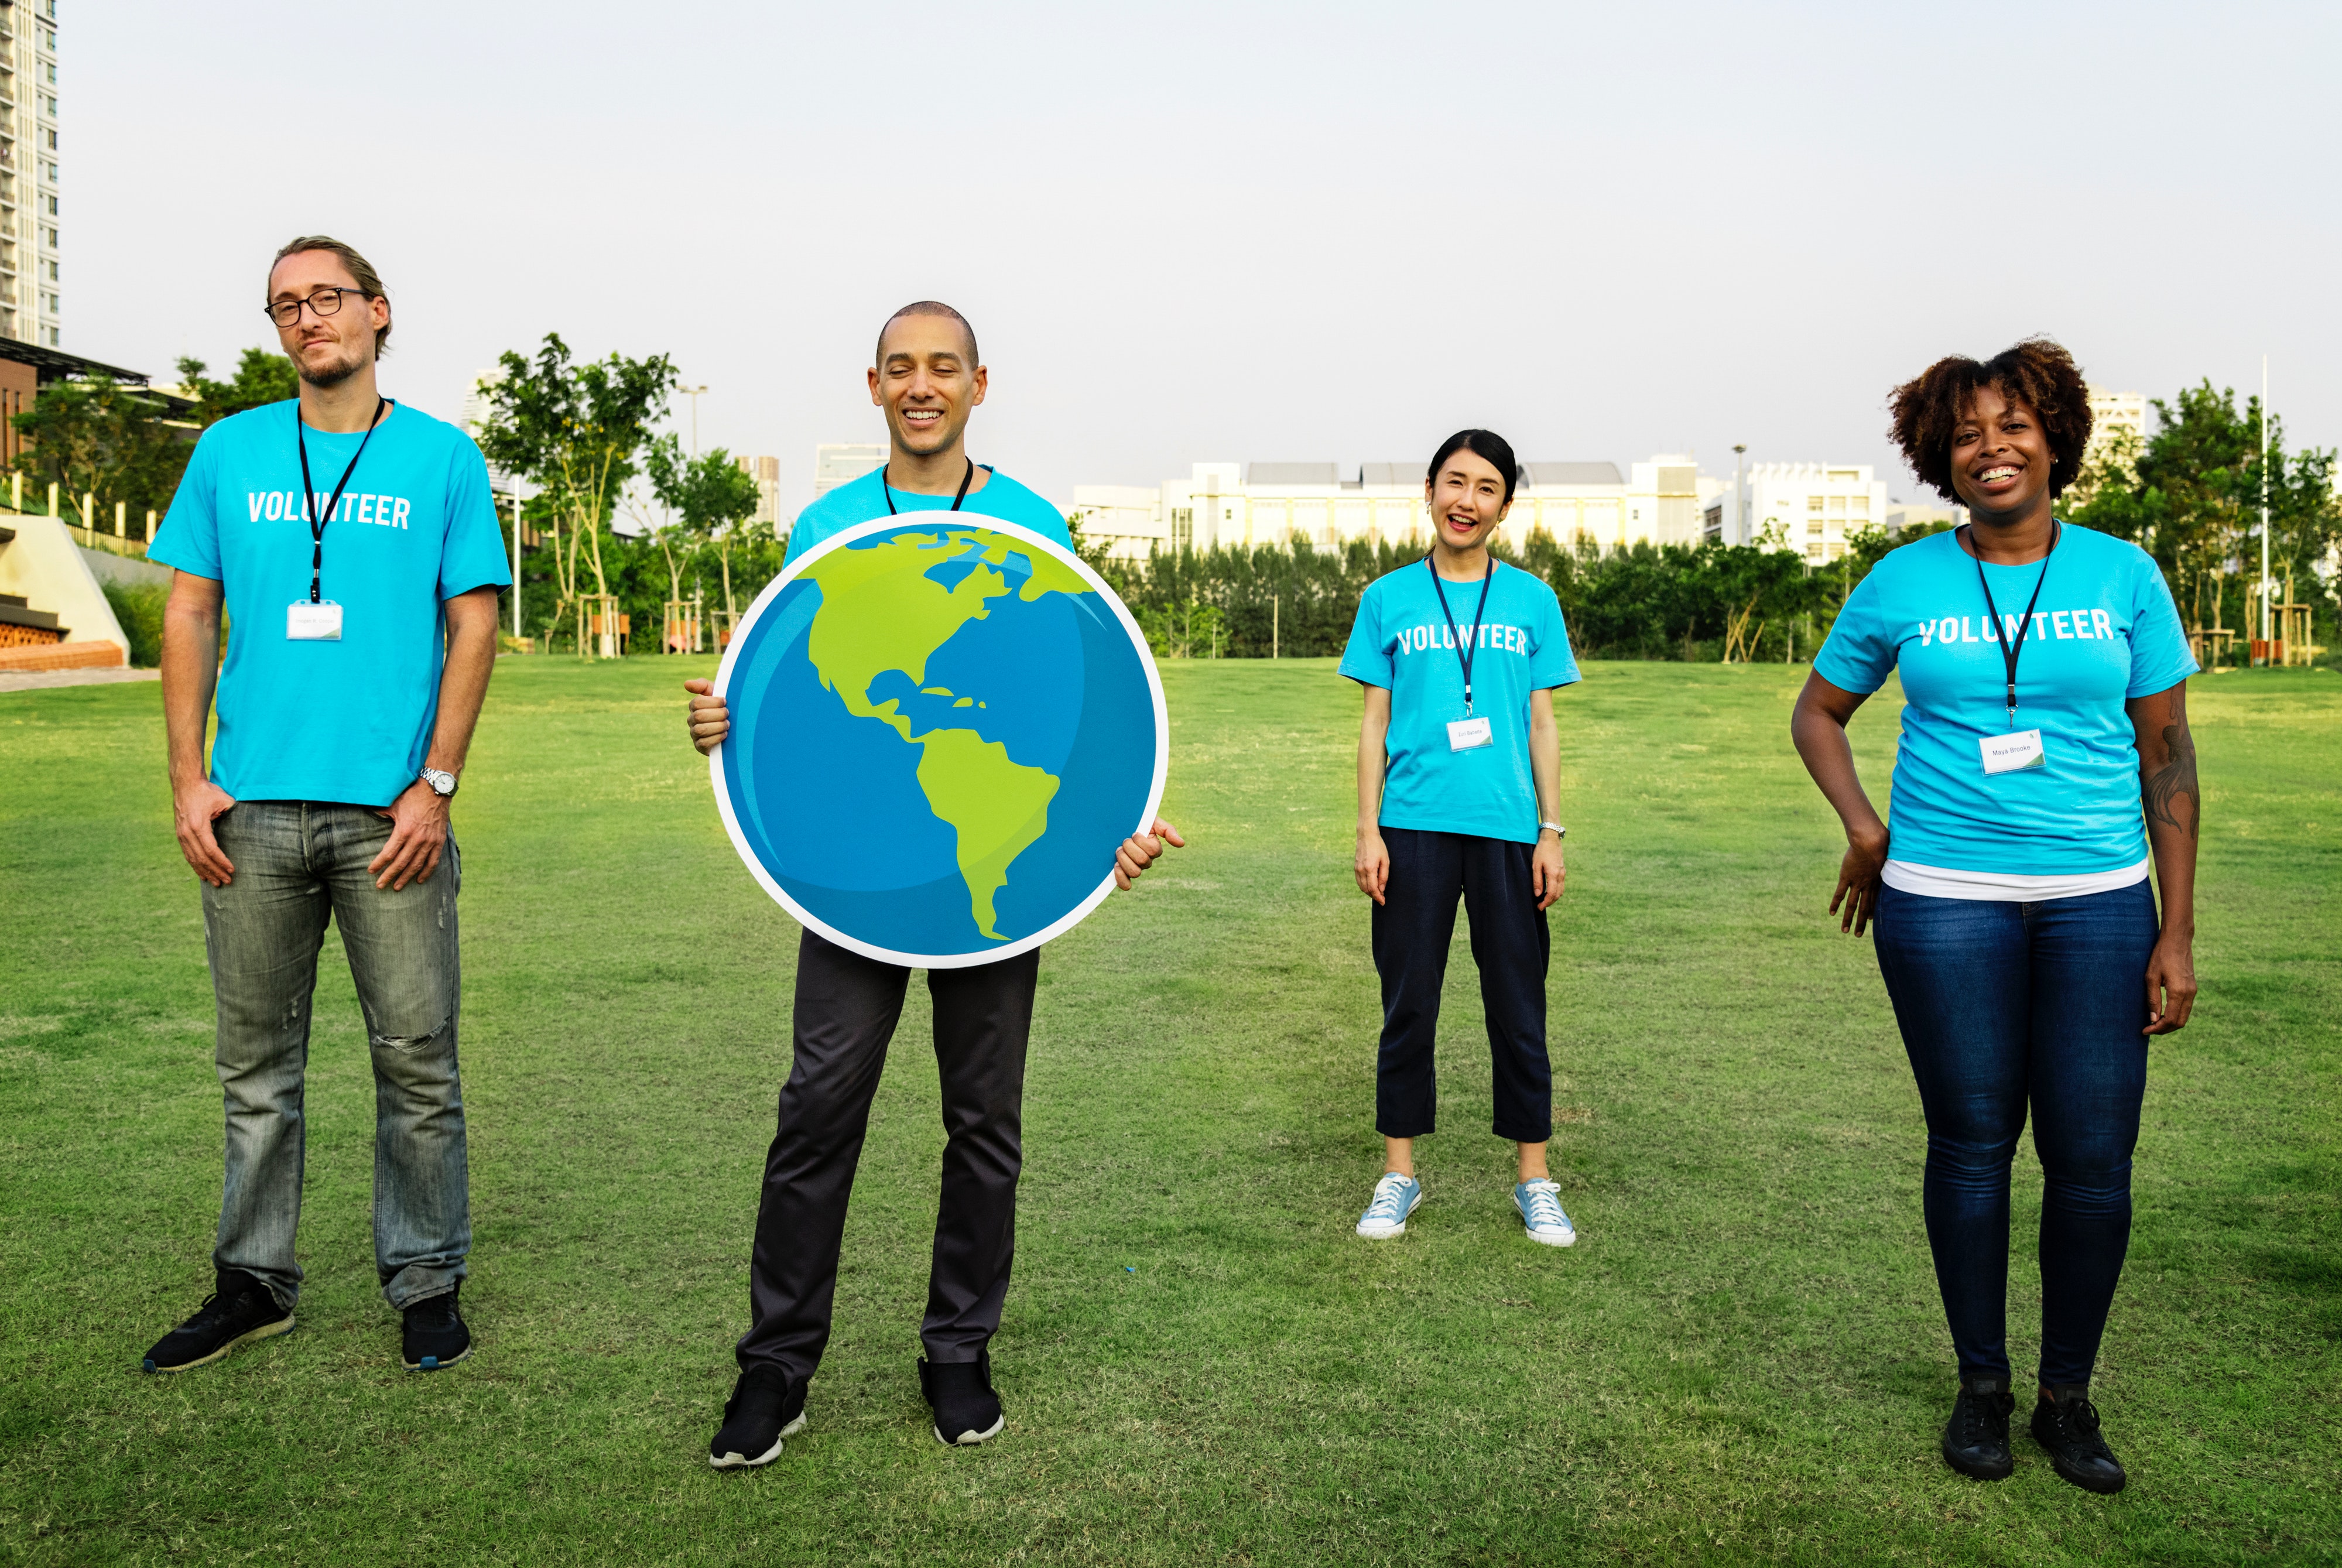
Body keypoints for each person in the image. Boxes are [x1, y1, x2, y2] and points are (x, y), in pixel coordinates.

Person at [684, 301, 1185, 1467]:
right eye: (901, 369)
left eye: (942, 368)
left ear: (977, 384)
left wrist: (1107, 827)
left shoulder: (1027, 524)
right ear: (872, 386)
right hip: (854, 874)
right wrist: (726, 716)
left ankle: (955, 1350)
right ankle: (775, 1367)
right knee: (817, 1109)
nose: (922, 386)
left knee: (983, 1125)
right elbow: (794, 696)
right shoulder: (826, 524)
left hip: (989, 867)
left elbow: (1067, 692)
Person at [1790, 338, 2199, 1495]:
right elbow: (1817, 714)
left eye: (2012, 424)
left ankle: (2067, 1397)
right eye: (1966, 431)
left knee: (2089, 1156)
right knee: (1969, 1142)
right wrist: (1867, 832)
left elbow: (2165, 756)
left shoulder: (2122, 576)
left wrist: (2171, 928)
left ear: (2052, 436)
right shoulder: (1904, 581)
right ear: (1938, 452)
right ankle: (1981, 1387)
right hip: (1942, 905)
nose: (1991, 446)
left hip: (2096, 902)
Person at [141, 237, 511, 1376]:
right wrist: (188, 777)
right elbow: (191, 616)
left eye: (329, 298)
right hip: (249, 814)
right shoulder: (228, 450)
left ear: (378, 311)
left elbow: (474, 625)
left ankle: (425, 1279)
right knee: (256, 1068)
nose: (310, 320)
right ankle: (252, 1282)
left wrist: (435, 782)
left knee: (416, 1059)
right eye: (286, 306)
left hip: (389, 818)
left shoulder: (443, 459)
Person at [1337, 429, 1580, 1250]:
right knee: (1409, 1004)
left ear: (1505, 505)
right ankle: (1399, 1174)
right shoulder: (1389, 598)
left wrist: (1550, 829)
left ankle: (1535, 1180)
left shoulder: (1533, 601)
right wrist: (1368, 829)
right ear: (1430, 492)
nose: (1464, 500)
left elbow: (1542, 722)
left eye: (1484, 487)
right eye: (1452, 482)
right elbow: (1373, 723)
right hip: (1411, 829)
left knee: (1519, 1004)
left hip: (1510, 831)